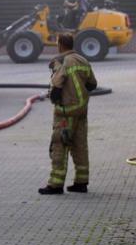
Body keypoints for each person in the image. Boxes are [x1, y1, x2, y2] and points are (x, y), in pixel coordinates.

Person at [39, 33, 97, 195]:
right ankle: (81, 182)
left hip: (65, 112)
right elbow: (92, 84)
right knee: (80, 146)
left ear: (60, 44)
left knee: (60, 145)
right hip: (81, 111)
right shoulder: (83, 60)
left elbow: (57, 86)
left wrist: (55, 98)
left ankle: (55, 185)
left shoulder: (62, 61)